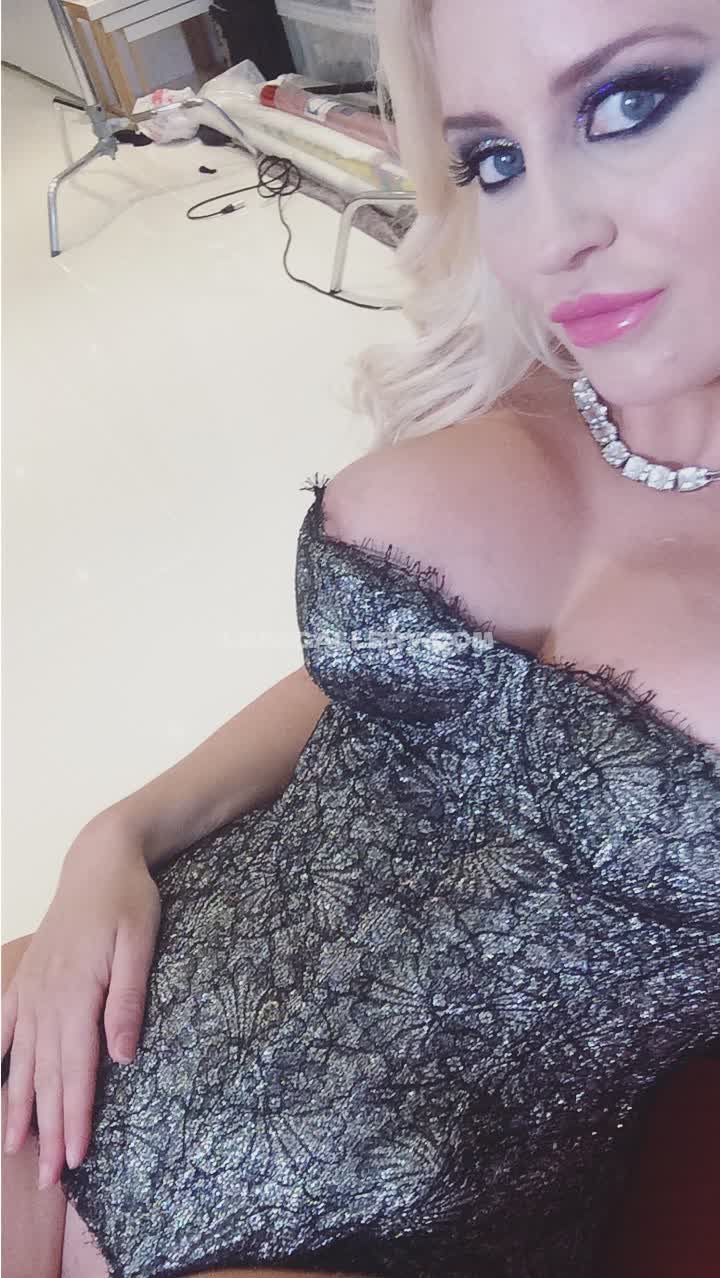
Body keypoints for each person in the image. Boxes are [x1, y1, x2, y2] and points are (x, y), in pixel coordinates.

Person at [2, 0, 719, 1274]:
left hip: (380, 1217)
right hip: (107, 1010)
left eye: (629, 102)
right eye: (493, 157)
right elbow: (395, 685)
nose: (547, 239)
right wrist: (115, 835)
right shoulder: (530, 377)